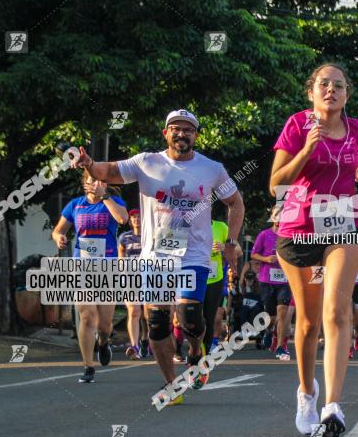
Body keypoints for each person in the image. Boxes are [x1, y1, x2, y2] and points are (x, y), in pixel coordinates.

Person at [72, 108, 244, 406]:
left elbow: (235, 203)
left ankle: (195, 350)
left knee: (190, 316)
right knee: (158, 323)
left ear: (196, 135)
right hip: (156, 257)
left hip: (194, 253)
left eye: (188, 129)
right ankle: (171, 384)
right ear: (166, 133)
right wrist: (88, 163)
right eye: (175, 128)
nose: (181, 133)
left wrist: (231, 240)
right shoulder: (146, 162)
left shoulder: (212, 168)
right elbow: (105, 171)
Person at [270, 63, 358, 437]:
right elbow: (274, 184)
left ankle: (333, 405)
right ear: (311, 91)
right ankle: (306, 392)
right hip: (299, 230)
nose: (331, 90)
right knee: (309, 321)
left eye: (339, 85)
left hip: (346, 224)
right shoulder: (297, 126)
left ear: (347, 94)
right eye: (324, 84)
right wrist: (305, 152)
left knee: (335, 311)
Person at [52, 171, 128, 383]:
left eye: (98, 181)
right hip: (82, 267)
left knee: (104, 326)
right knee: (86, 317)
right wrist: (59, 238)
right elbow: (58, 230)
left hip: (107, 267)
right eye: (90, 181)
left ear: (103, 184)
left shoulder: (113, 201)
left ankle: (103, 342)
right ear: (84, 184)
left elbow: (122, 218)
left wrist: (105, 196)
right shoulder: (75, 205)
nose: (93, 184)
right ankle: (88, 367)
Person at [251, 207, 293, 361]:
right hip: (266, 280)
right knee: (271, 316)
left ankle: (281, 347)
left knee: (282, 312)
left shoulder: (290, 235)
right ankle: (269, 330)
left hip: (285, 280)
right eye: (277, 214)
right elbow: (253, 254)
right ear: (272, 217)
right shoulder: (264, 234)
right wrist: (266, 259)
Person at [199, 219, 229, 384]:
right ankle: (195, 349)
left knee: (209, 318)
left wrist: (225, 247)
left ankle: (205, 351)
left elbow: (237, 250)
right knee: (192, 318)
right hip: (193, 276)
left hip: (214, 279)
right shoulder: (185, 224)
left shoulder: (221, 227)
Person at [118, 208, 146, 359]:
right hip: (130, 279)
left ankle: (146, 340)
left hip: (148, 278)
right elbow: (120, 256)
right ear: (130, 220)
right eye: (133, 217)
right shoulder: (124, 237)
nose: (136, 219)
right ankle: (134, 346)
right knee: (134, 311)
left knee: (147, 315)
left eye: (138, 216)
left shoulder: (150, 236)